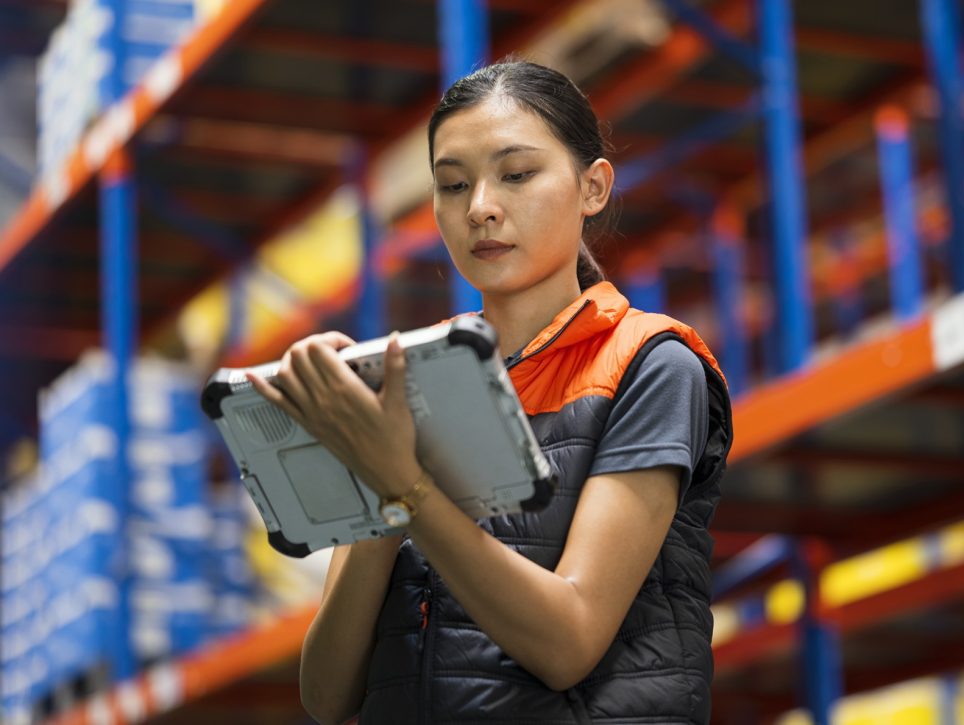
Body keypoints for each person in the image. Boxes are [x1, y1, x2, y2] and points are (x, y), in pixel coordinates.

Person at [249, 59, 733, 724]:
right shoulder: (406, 378)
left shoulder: (652, 364)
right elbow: (327, 695)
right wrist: (372, 470)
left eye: (517, 174)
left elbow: (568, 643)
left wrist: (404, 486)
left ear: (593, 187)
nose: (480, 207)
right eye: (453, 184)